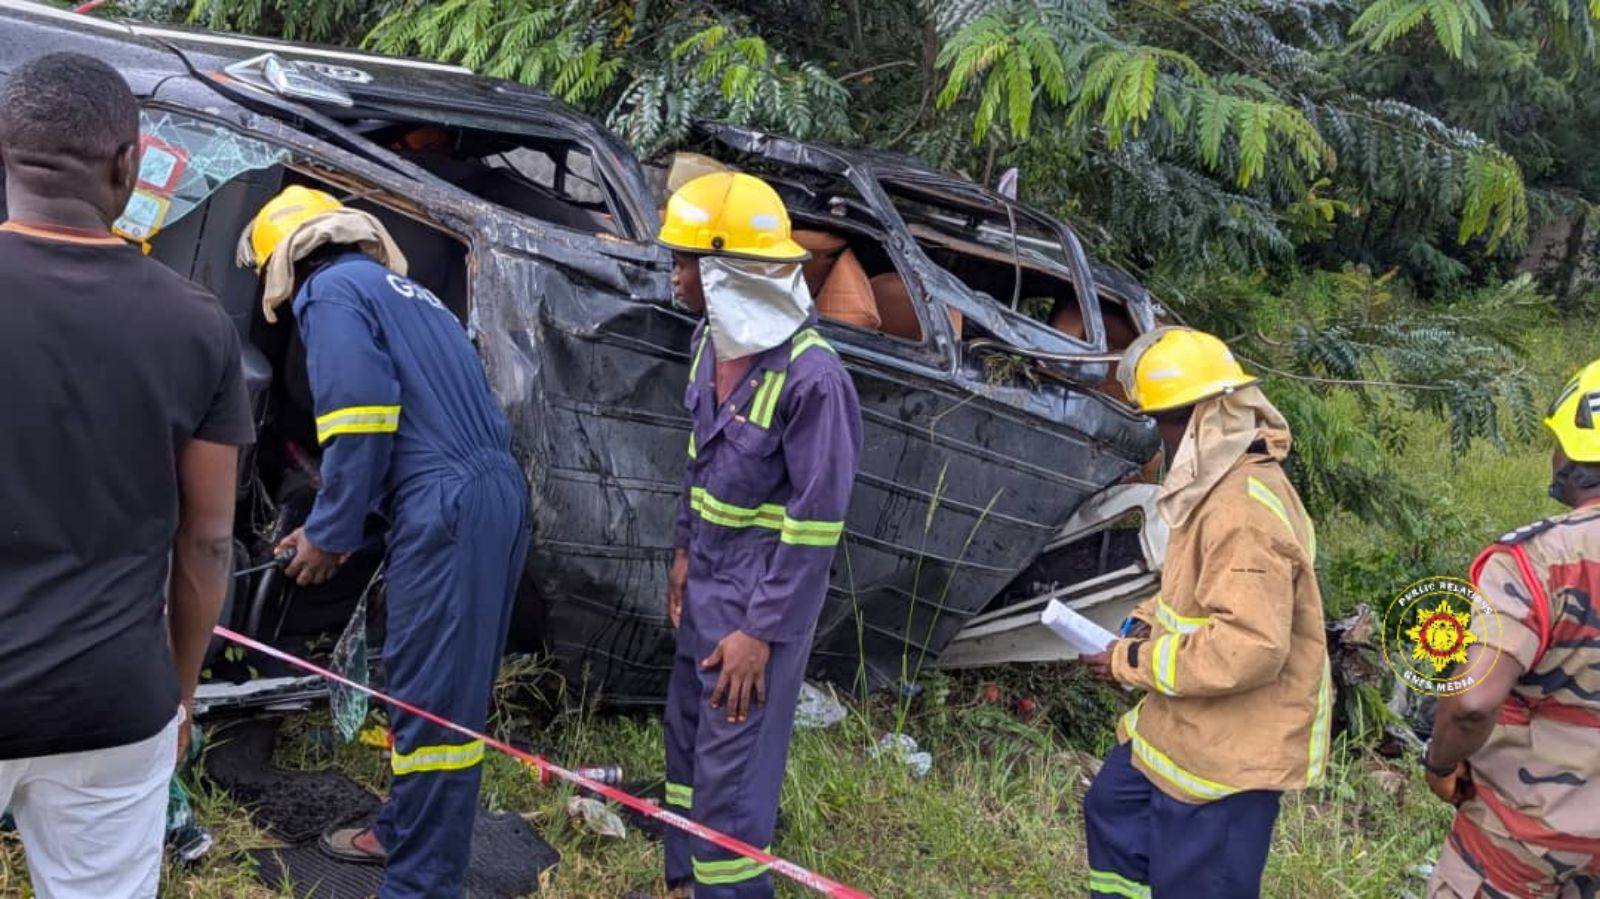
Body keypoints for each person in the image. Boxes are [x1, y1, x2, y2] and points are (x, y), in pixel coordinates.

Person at [0, 53, 254, 897]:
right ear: (127, 164)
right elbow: (209, 540)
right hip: (111, 701)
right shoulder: (196, 326)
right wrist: (178, 691)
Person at [238, 186, 529, 897]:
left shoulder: (330, 293)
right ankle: (404, 830)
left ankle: (421, 883)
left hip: (449, 501)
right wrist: (340, 520)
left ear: (286, 263)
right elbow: (418, 425)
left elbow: (364, 418)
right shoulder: (403, 291)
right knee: (434, 679)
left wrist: (331, 534)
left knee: (437, 703)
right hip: (483, 489)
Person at [657, 172, 863, 898]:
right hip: (708, 583)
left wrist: (761, 634)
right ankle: (685, 884)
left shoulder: (814, 381)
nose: (675, 274)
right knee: (686, 740)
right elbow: (698, 461)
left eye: (686, 261)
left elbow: (813, 527)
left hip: (757, 606)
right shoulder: (708, 344)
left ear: (726, 270)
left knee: (732, 777)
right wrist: (683, 552)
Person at [1079, 327, 1332, 899]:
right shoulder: (1214, 490)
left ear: (1206, 415)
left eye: (1165, 420)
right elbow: (1187, 593)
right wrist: (1142, 622)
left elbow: (1248, 648)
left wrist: (1131, 661)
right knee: (1111, 806)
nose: (1160, 436)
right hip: (1177, 731)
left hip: (1227, 760)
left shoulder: (1244, 512)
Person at [1422, 358, 1600, 898]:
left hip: (1520, 841)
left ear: (1570, 454)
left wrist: (1440, 763)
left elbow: (1473, 702)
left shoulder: (1536, 560)